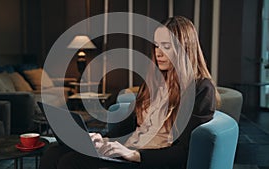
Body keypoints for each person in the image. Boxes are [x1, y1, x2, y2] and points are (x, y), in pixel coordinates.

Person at [39, 16, 220, 169]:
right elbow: (130, 125)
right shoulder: (154, 81)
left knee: (70, 162)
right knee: (54, 151)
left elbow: (186, 152)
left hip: (146, 158)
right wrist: (103, 139)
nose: (158, 52)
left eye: (166, 46)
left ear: (184, 48)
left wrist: (134, 155)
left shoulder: (201, 88)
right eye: (156, 45)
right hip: (129, 148)